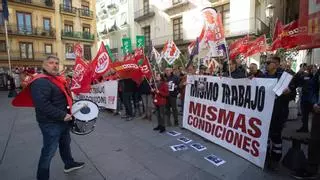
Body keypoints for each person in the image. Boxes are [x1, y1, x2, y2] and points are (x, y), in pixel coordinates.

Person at [30, 56, 84, 180]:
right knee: (49, 151)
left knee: (65, 144)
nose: (54, 65)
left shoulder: (54, 79)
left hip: (63, 120)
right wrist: (62, 115)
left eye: (56, 63)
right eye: (51, 63)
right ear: (44, 65)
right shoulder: (40, 81)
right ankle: (42, 177)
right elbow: (42, 104)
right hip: (51, 123)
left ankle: (69, 164)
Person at [263, 56, 296, 170]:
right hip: (266, 112)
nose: (266, 64)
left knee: (275, 136)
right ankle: (265, 156)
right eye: (266, 63)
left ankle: (275, 159)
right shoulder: (263, 76)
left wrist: (288, 92)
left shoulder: (285, 77)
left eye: (269, 62)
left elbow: (293, 95)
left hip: (279, 113)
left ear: (276, 64)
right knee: (265, 135)